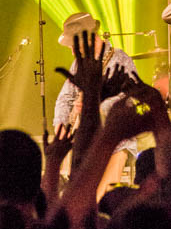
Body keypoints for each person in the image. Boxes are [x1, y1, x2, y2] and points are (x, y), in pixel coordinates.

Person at [53, 11, 138, 193]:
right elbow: (64, 98)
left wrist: (93, 106)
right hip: (85, 142)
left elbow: (126, 100)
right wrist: (60, 125)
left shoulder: (120, 60)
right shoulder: (78, 64)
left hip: (115, 141)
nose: (71, 49)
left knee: (101, 197)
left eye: (74, 44)